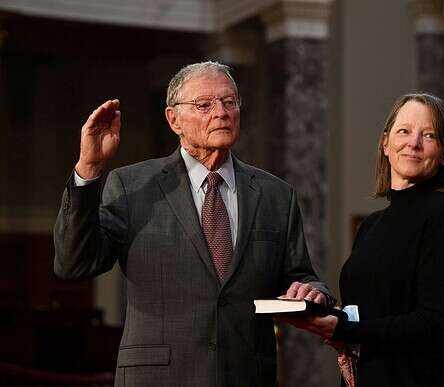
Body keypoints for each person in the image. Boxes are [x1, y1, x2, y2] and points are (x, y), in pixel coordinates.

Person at [53, 61, 332, 387]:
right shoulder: (132, 186)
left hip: (246, 375)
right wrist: (89, 167)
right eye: (204, 105)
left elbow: (300, 276)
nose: (222, 112)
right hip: (159, 377)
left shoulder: (275, 194)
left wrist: (315, 293)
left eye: (230, 102)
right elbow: (74, 263)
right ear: (174, 120)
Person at [283, 93, 444, 386]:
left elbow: (437, 324)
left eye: (428, 135)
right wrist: (320, 307)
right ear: (386, 143)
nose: (413, 143)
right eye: (404, 131)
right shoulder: (371, 225)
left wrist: (343, 330)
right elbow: (374, 311)